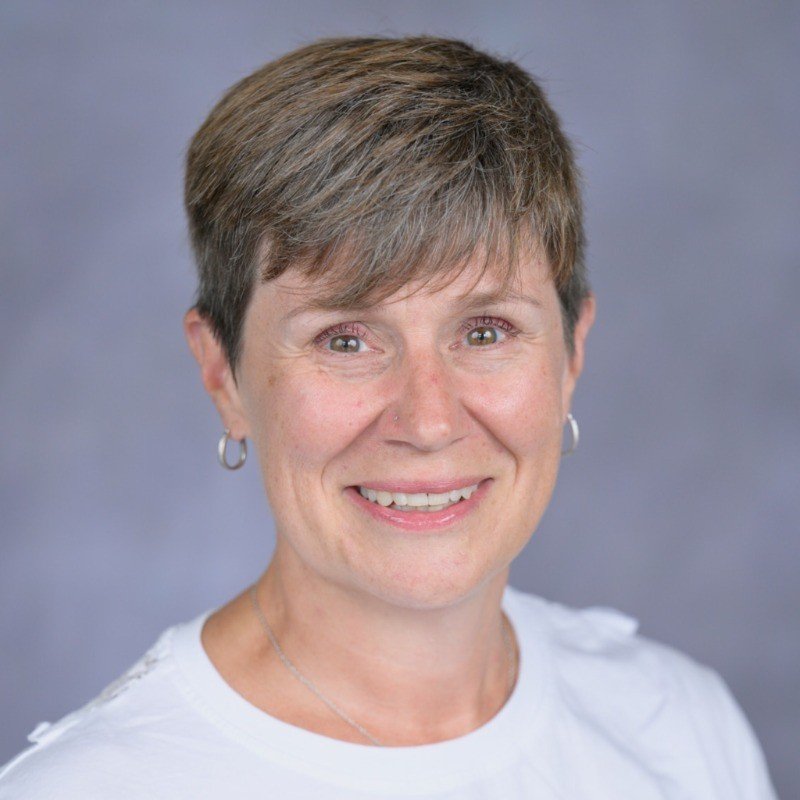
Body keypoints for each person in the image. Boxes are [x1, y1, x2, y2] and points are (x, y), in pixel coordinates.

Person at [0, 35, 777, 799]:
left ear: (571, 354)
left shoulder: (679, 729)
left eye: (485, 331)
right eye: (346, 339)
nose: (429, 420)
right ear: (223, 373)